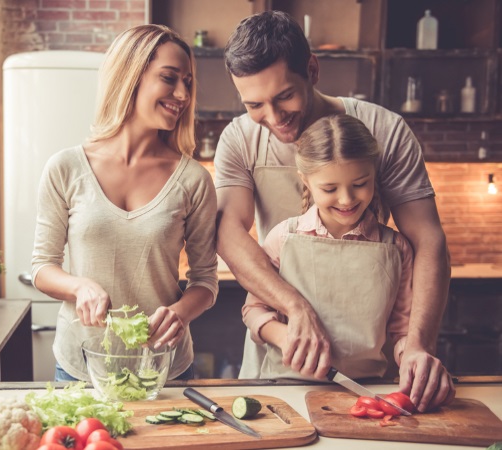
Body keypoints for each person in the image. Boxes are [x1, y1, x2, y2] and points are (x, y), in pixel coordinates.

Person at [215, 11, 454, 411]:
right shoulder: (239, 139)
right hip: (281, 363)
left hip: (370, 376)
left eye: (284, 95)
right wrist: (294, 307)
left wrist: (416, 346)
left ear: (312, 69)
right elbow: (227, 234)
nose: (273, 118)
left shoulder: (386, 131)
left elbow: (428, 239)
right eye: (255, 104)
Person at [31, 24, 218, 382]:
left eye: (188, 82)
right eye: (169, 78)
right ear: (131, 76)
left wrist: (180, 312)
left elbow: (205, 282)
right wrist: (79, 286)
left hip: (163, 368)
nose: (182, 93)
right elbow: (42, 267)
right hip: (82, 366)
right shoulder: (66, 168)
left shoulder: (193, 179)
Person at [243, 114, 419, 383]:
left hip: (368, 389)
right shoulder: (283, 238)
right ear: (306, 181)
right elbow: (253, 310)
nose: (346, 199)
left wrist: (411, 356)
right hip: (289, 388)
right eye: (329, 188)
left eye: (360, 184)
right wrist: (284, 336)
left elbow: (403, 330)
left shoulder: (397, 249)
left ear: (374, 174)